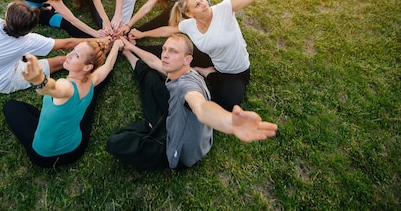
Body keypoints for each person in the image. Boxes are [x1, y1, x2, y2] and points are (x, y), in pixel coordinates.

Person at [129, 0, 304, 111]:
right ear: (189, 14)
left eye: (201, 0)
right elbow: (167, 31)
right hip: (210, 55)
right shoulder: (189, 25)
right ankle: (133, 49)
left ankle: (208, 73)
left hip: (236, 72)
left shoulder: (224, 9)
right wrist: (142, 34)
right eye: (197, 4)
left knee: (224, 107)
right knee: (171, 54)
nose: (204, 3)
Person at [106, 34, 278, 169]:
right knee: (151, 78)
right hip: (179, 119)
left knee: (116, 142)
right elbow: (153, 61)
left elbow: (201, 107)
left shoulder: (186, 86)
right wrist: (128, 48)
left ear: (187, 59)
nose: (165, 55)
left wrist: (229, 122)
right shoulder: (182, 71)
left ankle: (154, 127)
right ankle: (157, 122)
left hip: (179, 152)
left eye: (173, 51)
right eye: (164, 49)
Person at [3, 38, 123, 168]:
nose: (69, 55)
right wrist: (116, 45)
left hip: (43, 156)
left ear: (88, 66)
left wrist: (39, 80)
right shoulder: (92, 80)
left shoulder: (65, 85)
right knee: (96, 89)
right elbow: (108, 66)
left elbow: (51, 88)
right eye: (73, 50)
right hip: (76, 149)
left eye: (76, 55)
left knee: (10, 106)